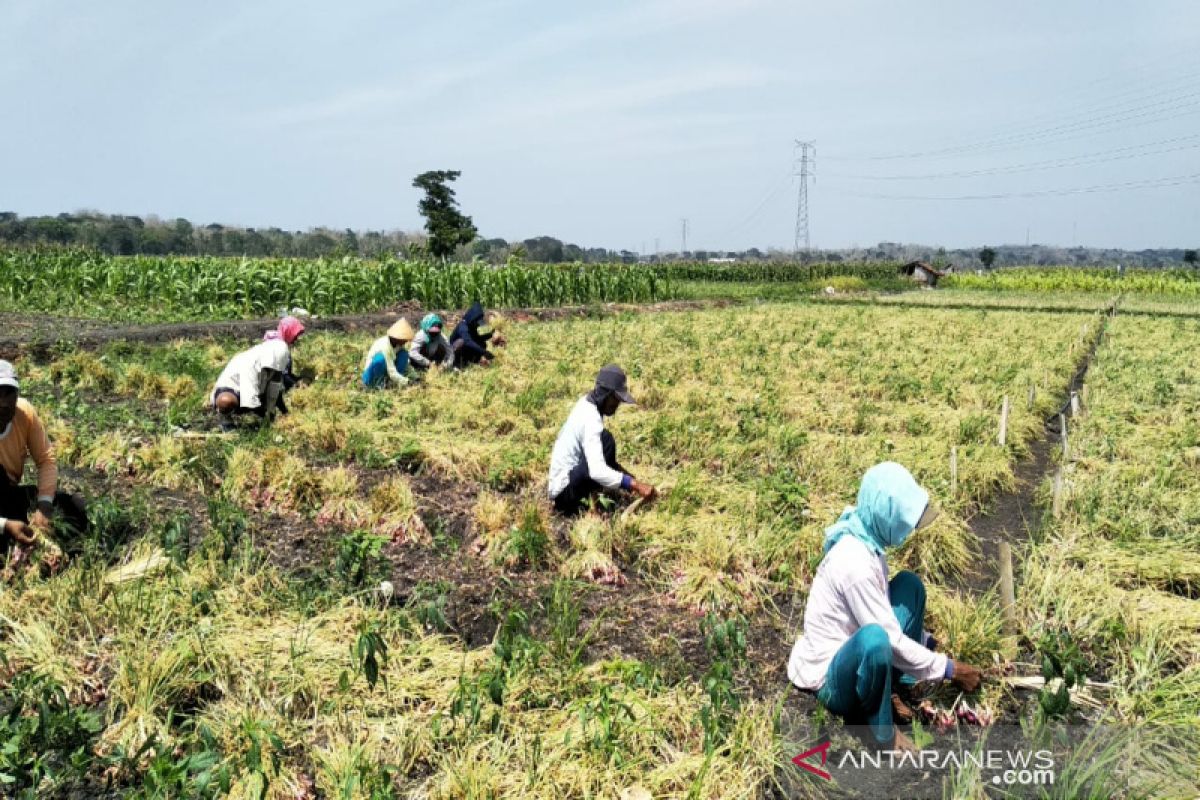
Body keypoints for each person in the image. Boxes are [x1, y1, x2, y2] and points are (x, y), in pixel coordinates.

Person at [787, 462, 983, 751]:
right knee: (875, 639)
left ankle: (893, 686)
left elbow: (878, 608)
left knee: (908, 586)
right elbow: (886, 637)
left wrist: (925, 640)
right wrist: (950, 669)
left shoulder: (866, 538)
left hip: (855, 649)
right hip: (833, 678)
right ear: (885, 516)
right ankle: (880, 735)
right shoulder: (855, 564)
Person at [0, 360, 88, 555]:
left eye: (9, 394)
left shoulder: (24, 414)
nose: (4, 403)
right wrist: (5, 525)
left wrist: (45, 505)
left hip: (8, 497)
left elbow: (46, 459)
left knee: (74, 506)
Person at [548, 364, 655, 516]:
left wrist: (630, 478)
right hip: (564, 493)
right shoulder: (591, 420)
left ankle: (594, 495)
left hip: (562, 485)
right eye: (615, 398)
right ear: (605, 394)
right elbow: (597, 470)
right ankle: (586, 505)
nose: (617, 404)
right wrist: (635, 485)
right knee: (607, 442)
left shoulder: (586, 403)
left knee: (604, 440)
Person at [211, 332, 298, 431]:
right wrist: (266, 414)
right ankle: (225, 420)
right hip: (234, 391)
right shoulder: (250, 363)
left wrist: (284, 412)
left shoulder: (274, 367)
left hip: (255, 394)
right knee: (226, 401)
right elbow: (249, 398)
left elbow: (275, 392)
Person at [362, 318, 417, 389]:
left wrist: (415, 376)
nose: (406, 341)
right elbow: (391, 371)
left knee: (404, 354)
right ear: (397, 338)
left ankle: (395, 381)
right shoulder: (384, 346)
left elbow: (406, 364)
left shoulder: (398, 345)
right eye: (404, 339)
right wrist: (407, 382)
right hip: (371, 374)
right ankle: (376, 385)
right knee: (380, 359)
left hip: (387, 371)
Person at [450, 302, 506, 368]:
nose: (478, 325)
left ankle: (474, 361)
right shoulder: (463, 327)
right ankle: (457, 364)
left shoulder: (472, 326)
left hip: (466, 350)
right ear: (473, 320)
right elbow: (468, 341)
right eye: (477, 323)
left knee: (482, 343)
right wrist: (484, 352)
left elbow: (480, 336)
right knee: (461, 342)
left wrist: (492, 334)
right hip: (454, 352)